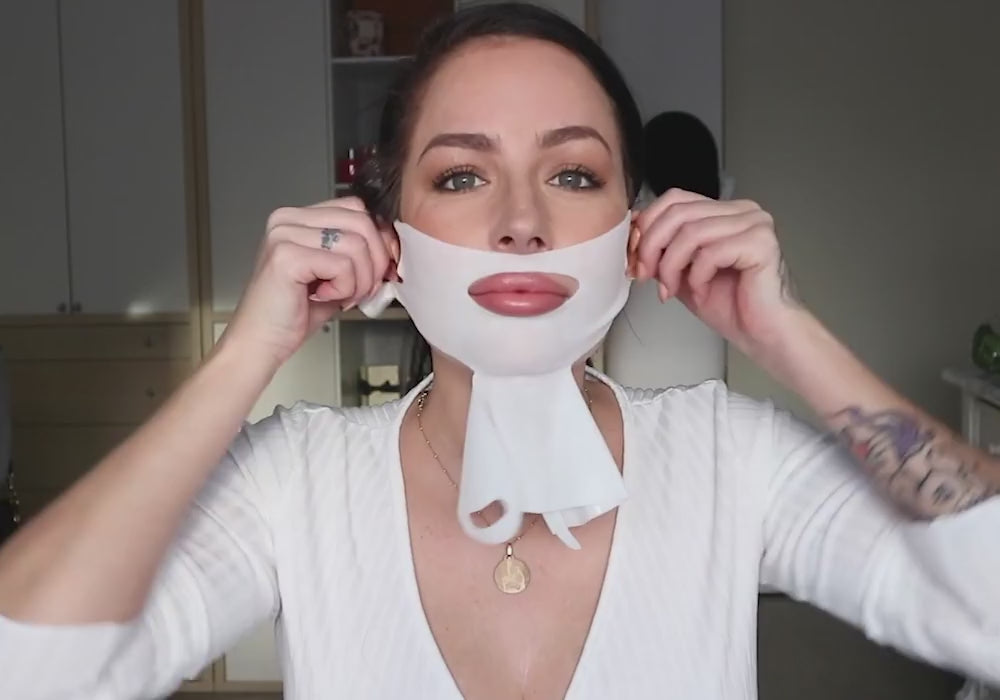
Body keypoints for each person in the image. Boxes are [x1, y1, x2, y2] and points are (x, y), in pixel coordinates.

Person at [0, 3, 998, 698]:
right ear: (389, 237)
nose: (522, 222)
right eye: (462, 176)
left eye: (572, 175)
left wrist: (789, 333)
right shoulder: (295, 480)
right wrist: (240, 357)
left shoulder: (730, 458)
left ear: (636, 229)